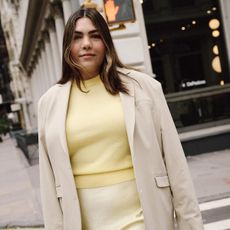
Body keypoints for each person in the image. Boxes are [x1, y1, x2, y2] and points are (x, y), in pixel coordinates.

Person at [38, 6, 204, 230]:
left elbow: (176, 166)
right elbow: (48, 185)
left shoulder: (144, 88)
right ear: (68, 46)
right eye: (77, 37)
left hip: (141, 219)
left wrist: (191, 225)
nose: (86, 44)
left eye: (95, 36)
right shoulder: (49, 103)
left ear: (106, 43)